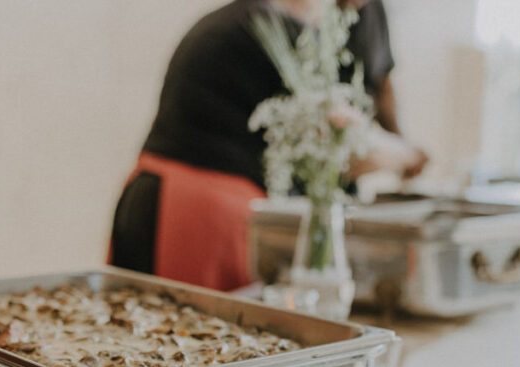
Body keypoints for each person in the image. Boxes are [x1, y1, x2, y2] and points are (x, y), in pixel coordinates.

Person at [110, 0, 428, 291]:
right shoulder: (265, 31)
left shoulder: (346, 18)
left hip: (206, 202)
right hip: (198, 212)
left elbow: (379, 84)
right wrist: (408, 155)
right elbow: (348, 150)